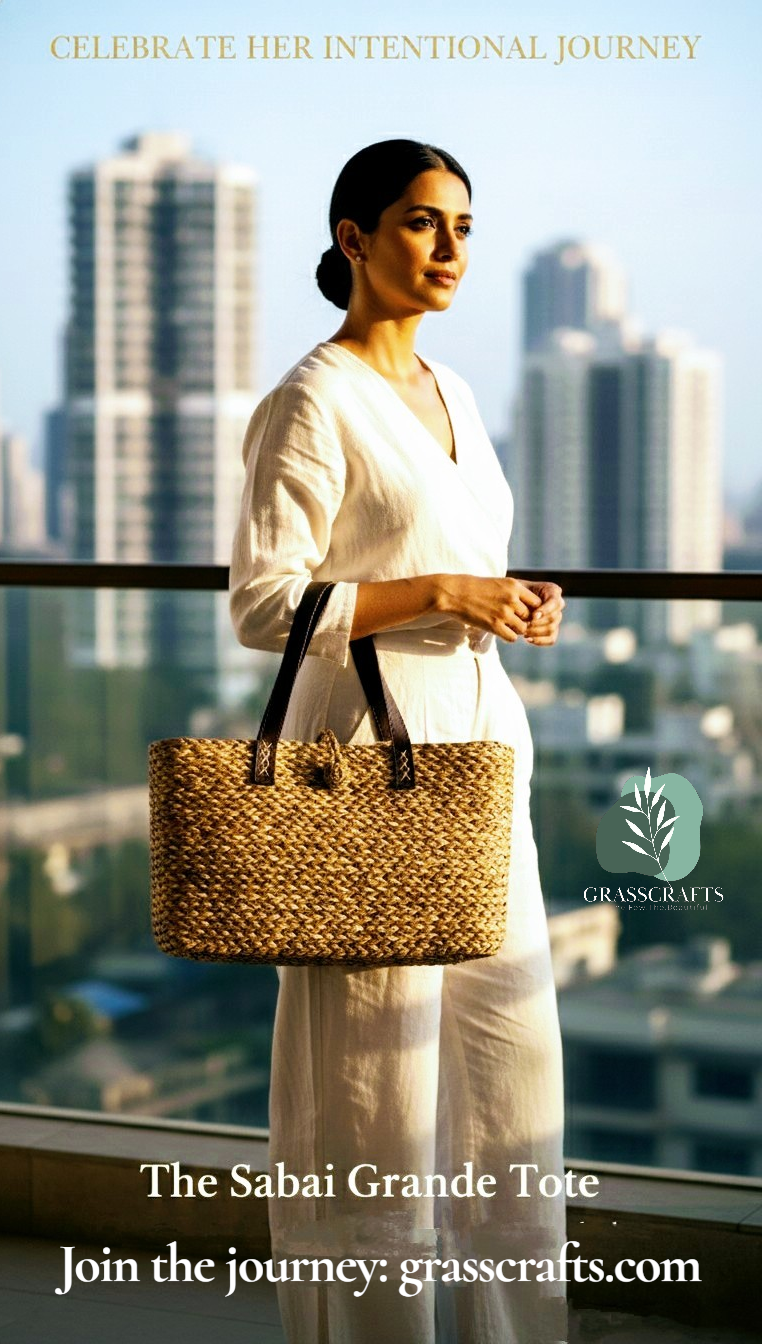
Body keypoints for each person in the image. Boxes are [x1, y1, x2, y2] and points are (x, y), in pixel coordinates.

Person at [229, 139, 568, 1344]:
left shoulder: (458, 395)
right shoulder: (310, 401)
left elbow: (451, 570)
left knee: (506, 1054)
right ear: (354, 239)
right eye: (423, 223)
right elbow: (266, 606)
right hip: (368, 761)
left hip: (479, 753)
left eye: (465, 227)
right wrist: (441, 592)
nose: (449, 249)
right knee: (374, 1075)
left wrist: (505, 598)